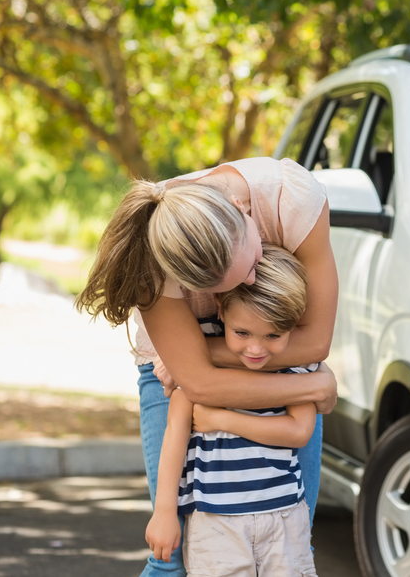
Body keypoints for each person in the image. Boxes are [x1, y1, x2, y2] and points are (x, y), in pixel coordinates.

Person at [76, 156, 339, 576]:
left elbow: (314, 341)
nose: (251, 283)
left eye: (252, 264)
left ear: (240, 208)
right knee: (172, 558)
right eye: (227, 288)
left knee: (290, 541)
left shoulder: (293, 199)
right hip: (175, 382)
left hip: (274, 360)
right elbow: (197, 386)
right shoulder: (153, 255)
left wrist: (193, 355)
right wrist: (315, 387)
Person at [146, 245, 318, 576]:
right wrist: (165, 511)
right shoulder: (201, 358)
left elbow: (299, 430)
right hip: (216, 523)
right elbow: (176, 430)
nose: (256, 348)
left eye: (273, 335)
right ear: (222, 310)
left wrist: (220, 419)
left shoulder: (294, 364)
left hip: (283, 517)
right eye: (242, 333)